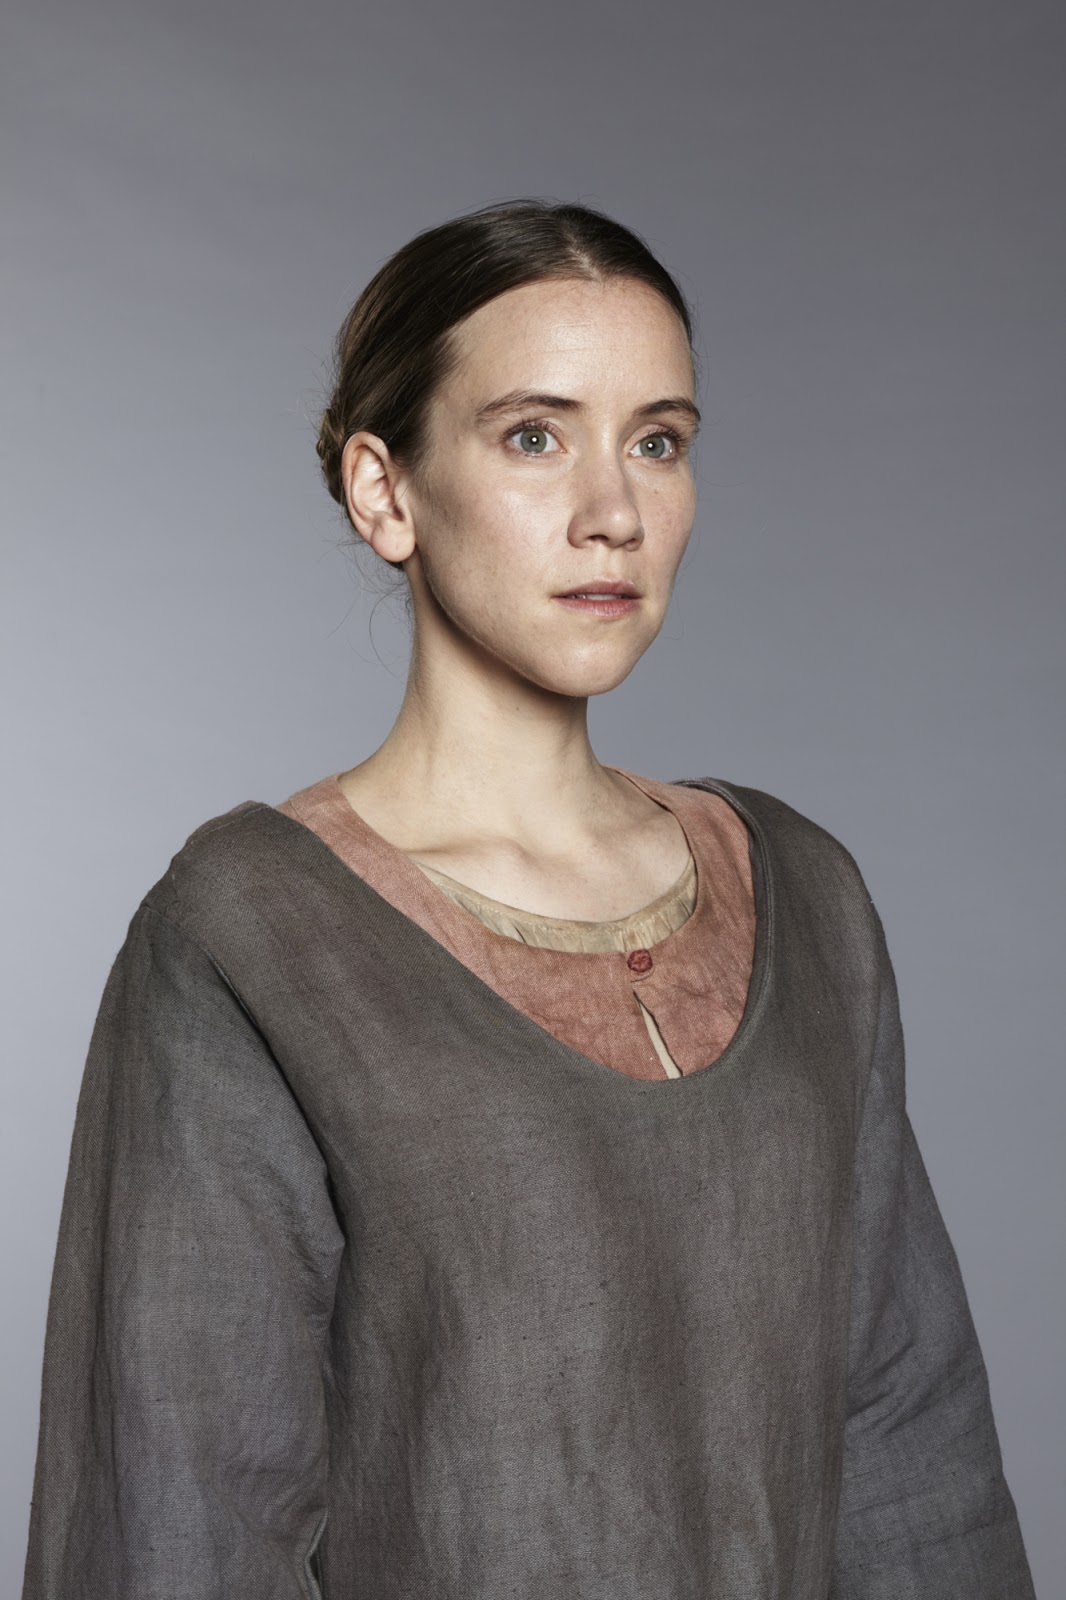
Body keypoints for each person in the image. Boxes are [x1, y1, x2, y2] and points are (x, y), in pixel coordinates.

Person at [20, 199, 1035, 1599]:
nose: (613, 514)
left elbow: (914, 1456)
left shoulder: (804, 893)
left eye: (657, 442)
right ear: (385, 492)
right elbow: (181, 1524)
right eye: (534, 436)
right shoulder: (253, 934)